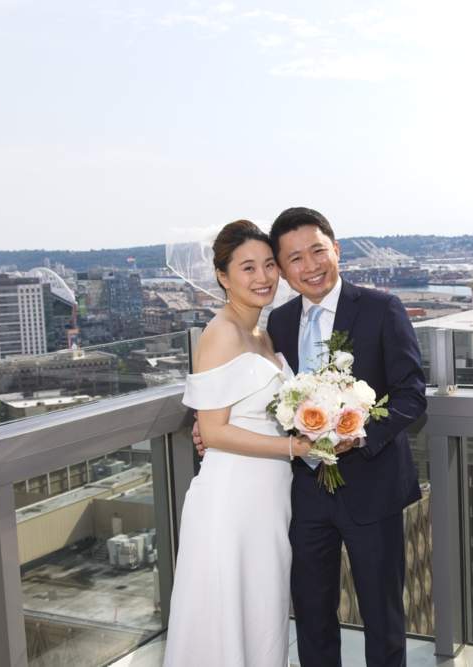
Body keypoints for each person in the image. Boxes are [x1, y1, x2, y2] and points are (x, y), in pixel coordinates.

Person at [196, 207, 427, 667]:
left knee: (383, 620)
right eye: (294, 259)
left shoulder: (382, 309)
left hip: (372, 490)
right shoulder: (274, 324)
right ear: (284, 270)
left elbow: (412, 395)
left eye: (317, 251)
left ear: (336, 250)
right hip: (302, 496)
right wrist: (208, 428)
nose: (310, 266)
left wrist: (358, 435)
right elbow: (253, 393)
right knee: (313, 619)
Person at [164, 220, 314, 667]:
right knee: (224, 617)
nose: (263, 277)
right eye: (248, 268)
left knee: (262, 615)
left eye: (269, 265)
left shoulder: (264, 335)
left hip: (267, 501)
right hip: (229, 503)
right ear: (223, 277)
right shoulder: (220, 334)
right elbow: (211, 432)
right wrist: (295, 449)